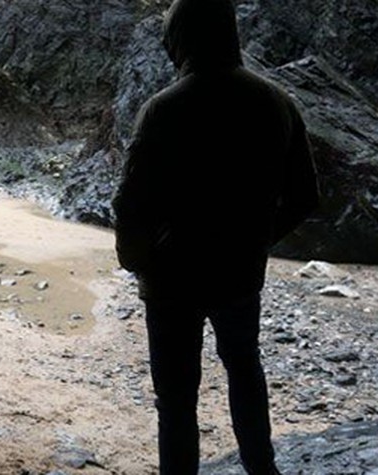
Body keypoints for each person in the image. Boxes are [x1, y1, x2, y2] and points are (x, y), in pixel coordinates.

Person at [112, 0, 320, 473]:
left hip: (171, 279)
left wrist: (136, 259)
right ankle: (262, 468)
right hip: (241, 272)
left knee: (176, 398)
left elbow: (131, 202)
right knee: (245, 370)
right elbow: (306, 196)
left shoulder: (164, 109)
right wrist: (259, 239)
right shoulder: (275, 101)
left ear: (181, 37)